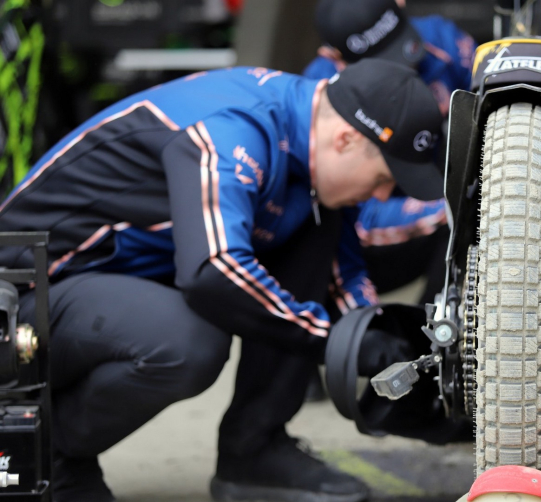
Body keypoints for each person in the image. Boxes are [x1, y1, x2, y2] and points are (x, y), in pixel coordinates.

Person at [0, 59, 443, 502]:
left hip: (106, 283)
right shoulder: (232, 131)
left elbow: (339, 268)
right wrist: (329, 339)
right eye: (385, 178)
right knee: (187, 342)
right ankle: (47, 452)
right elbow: (212, 272)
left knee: (313, 221)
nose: (384, 194)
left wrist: (380, 339)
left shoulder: (302, 127)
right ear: (345, 139)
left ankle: (253, 449)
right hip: (26, 298)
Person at [305, 0, 477, 306]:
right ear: (334, 58)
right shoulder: (319, 98)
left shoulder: (441, 38)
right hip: (372, 234)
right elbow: (358, 218)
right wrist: (448, 207)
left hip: (437, 186)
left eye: (400, 47)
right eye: (381, 61)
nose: (403, 69)